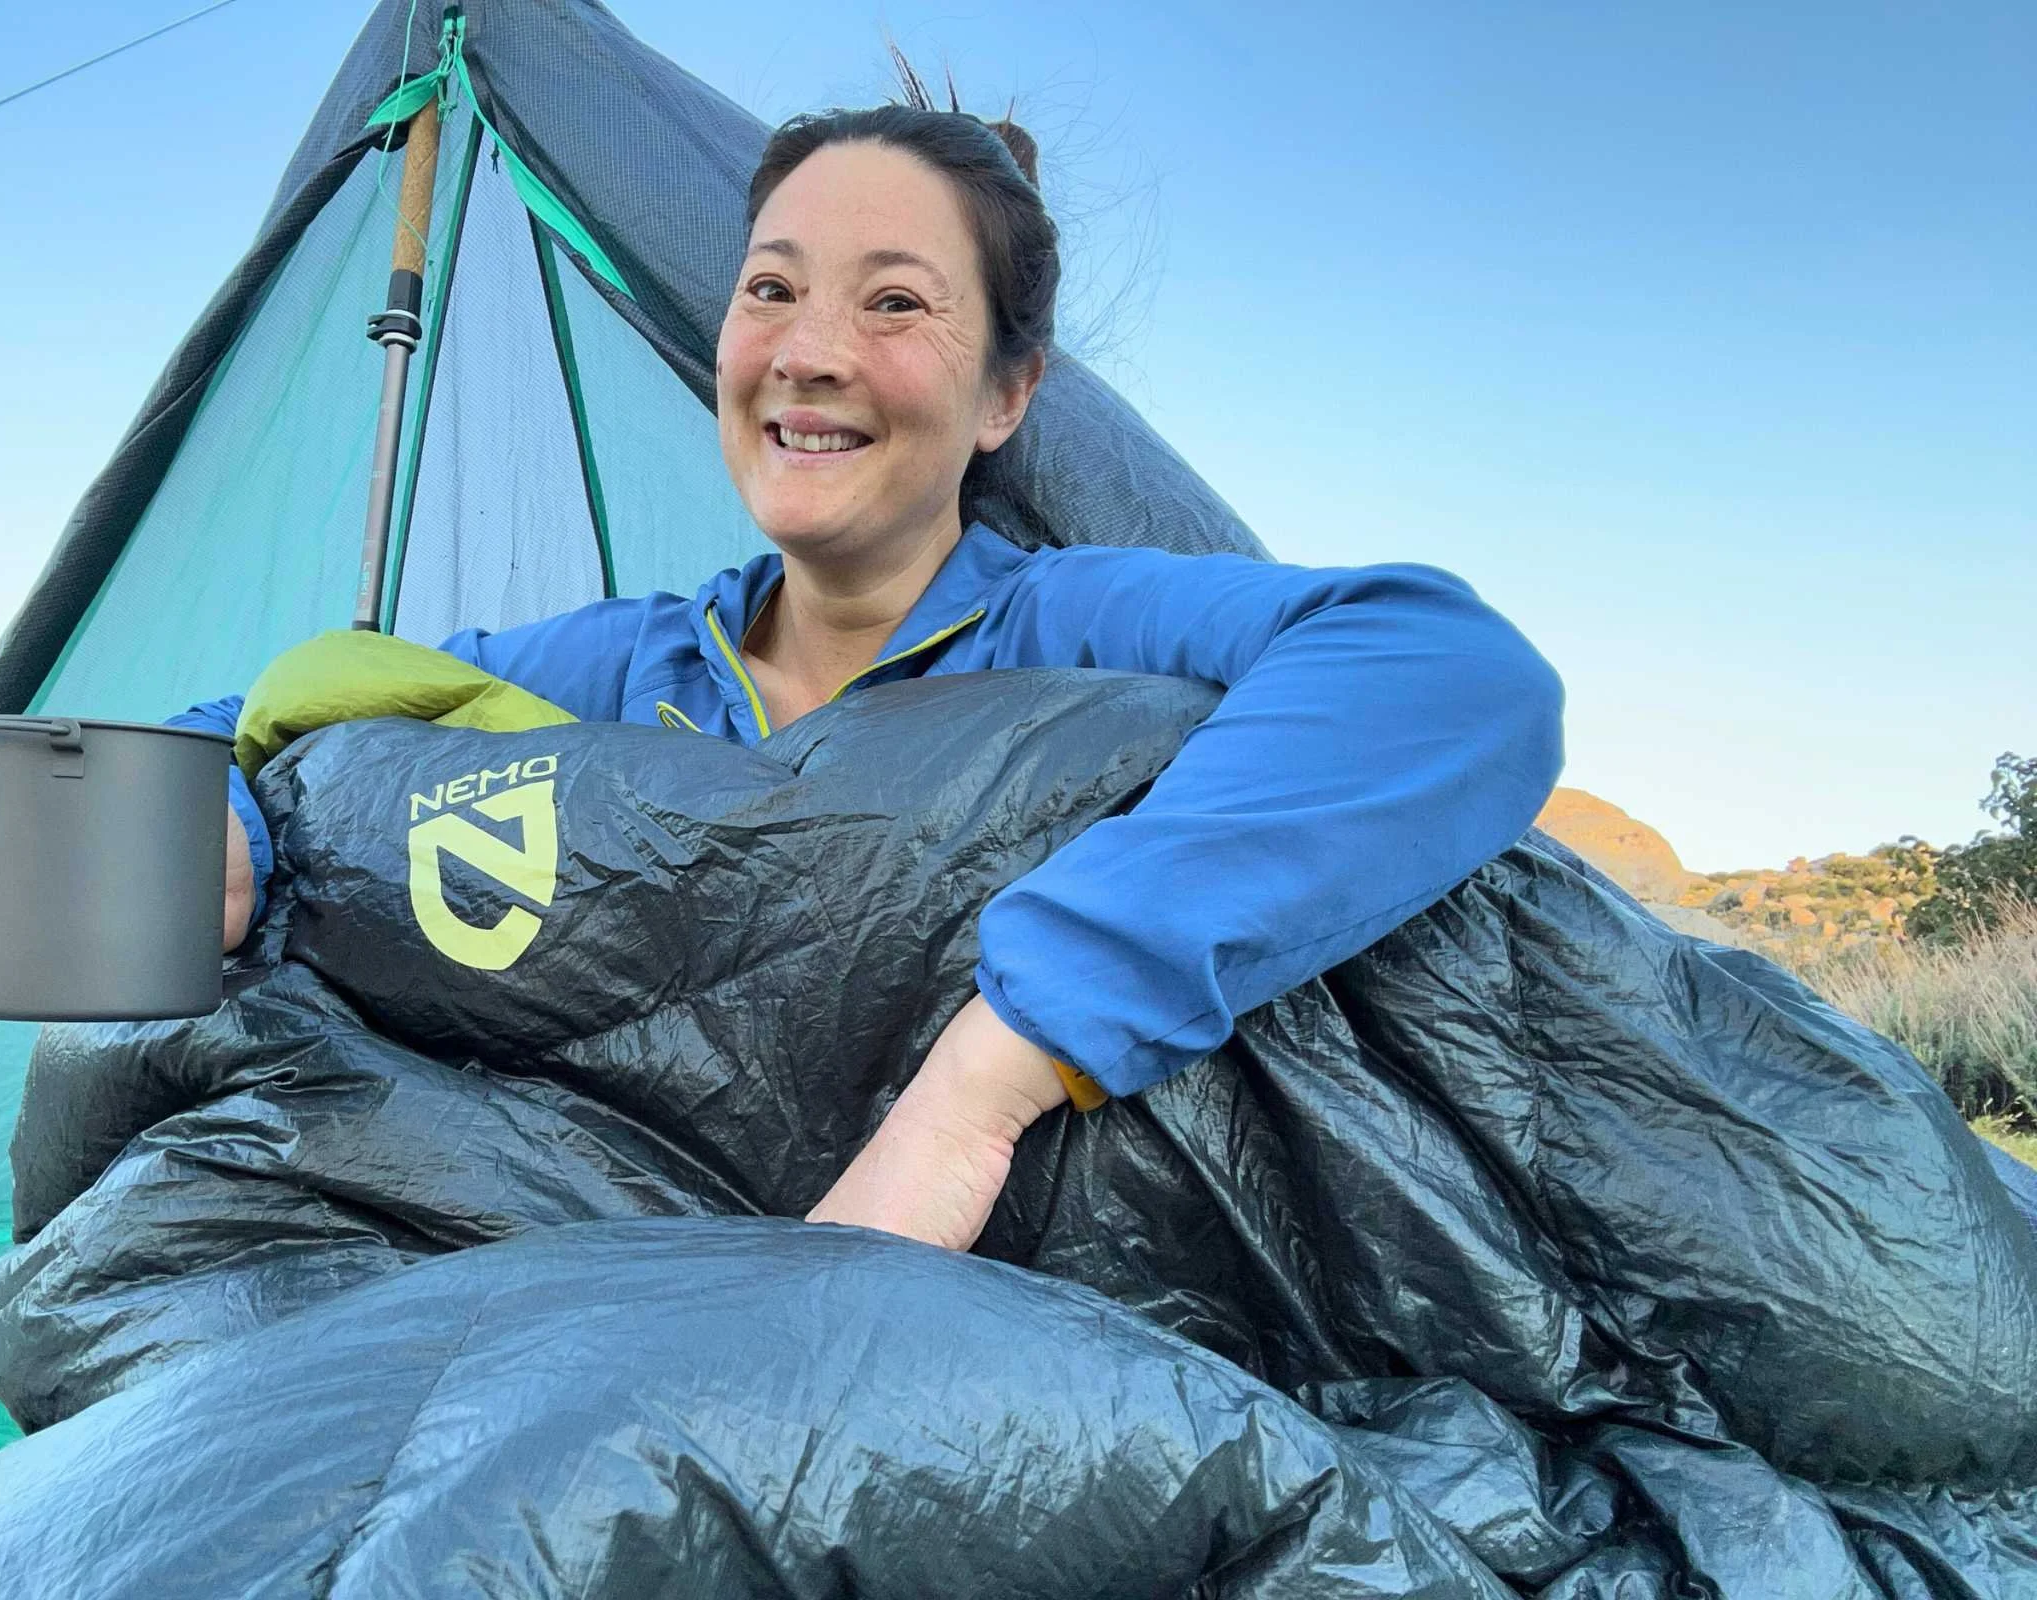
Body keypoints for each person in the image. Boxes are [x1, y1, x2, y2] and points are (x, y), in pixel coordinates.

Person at [182, 78, 1564, 1255]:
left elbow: (1443, 666)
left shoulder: (1071, 626)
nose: (810, 353)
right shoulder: (626, 664)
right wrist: (236, 823)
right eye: (770, 290)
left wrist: (983, 1089)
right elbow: (234, 728)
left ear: (1007, 396)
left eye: (894, 304)